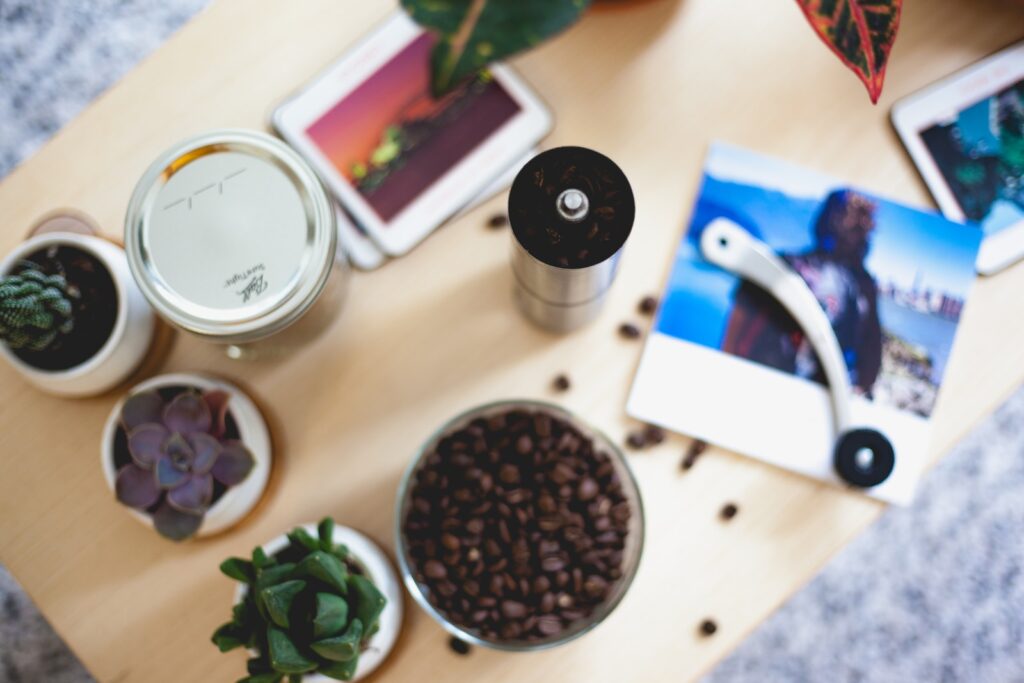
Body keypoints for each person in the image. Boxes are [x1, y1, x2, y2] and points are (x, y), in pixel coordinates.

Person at [721, 189, 883, 396]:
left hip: (767, 387)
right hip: (803, 396)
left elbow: (734, 329)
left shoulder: (783, 264)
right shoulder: (863, 288)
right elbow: (870, 366)